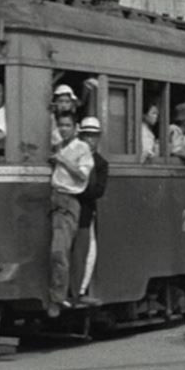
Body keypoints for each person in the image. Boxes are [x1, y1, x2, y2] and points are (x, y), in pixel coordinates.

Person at [48, 111, 94, 317]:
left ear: (75, 128)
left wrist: (63, 161)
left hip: (68, 201)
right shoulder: (59, 145)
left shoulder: (82, 148)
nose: (63, 129)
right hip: (54, 198)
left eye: (67, 125)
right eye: (61, 125)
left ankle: (58, 298)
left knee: (59, 250)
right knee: (54, 250)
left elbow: (83, 174)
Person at [72, 117, 108, 305]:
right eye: (86, 135)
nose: (89, 139)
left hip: (85, 212)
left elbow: (98, 190)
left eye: (93, 136)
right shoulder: (71, 154)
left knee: (88, 251)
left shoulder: (100, 163)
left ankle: (80, 289)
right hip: (69, 210)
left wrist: (75, 187)